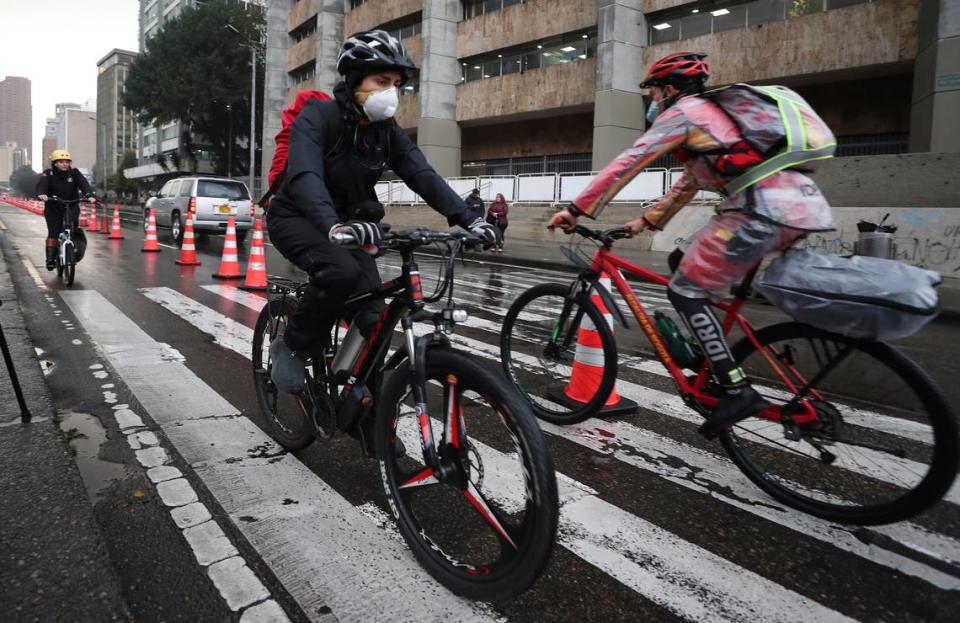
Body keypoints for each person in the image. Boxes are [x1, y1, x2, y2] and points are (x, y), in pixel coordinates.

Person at [550, 52, 835, 438]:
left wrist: (575, 210)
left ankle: (735, 388)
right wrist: (646, 221)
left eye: (653, 93)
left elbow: (629, 161)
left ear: (668, 89)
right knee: (680, 258)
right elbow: (689, 181)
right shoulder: (713, 120)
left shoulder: (684, 113)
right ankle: (712, 357)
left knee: (685, 290)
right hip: (796, 207)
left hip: (759, 212)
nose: (653, 101)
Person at [266, 29, 499, 398]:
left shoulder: (385, 132)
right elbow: (306, 175)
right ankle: (292, 345)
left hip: (352, 226)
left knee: (374, 316)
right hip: (298, 217)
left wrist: (471, 219)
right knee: (339, 271)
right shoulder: (318, 118)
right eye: (381, 80)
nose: (391, 91)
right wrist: (333, 226)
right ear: (355, 79)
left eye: (396, 83)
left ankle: (367, 413)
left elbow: (422, 174)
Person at [36, 150, 94, 270]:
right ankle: (51, 259)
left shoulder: (74, 173)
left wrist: (89, 195)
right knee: (53, 232)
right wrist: (42, 194)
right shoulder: (49, 173)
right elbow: (42, 185)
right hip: (53, 207)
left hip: (71, 205)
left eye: (67, 162)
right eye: (61, 162)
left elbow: (83, 184)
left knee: (73, 228)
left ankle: (73, 249)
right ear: (55, 163)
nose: (64, 164)